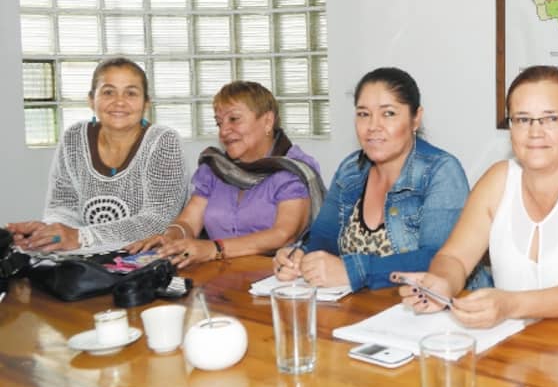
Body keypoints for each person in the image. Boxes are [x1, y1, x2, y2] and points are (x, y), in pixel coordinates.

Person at [393, 65, 558, 328]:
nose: (535, 131)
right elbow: (454, 258)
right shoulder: (498, 179)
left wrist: (511, 304)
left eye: (551, 118)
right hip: (516, 350)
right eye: (522, 119)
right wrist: (443, 282)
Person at [273, 67, 483, 291]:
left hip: (431, 310)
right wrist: (299, 256)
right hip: (361, 311)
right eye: (363, 114)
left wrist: (353, 271)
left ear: (416, 119)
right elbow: (323, 237)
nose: (373, 126)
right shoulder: (350, 169)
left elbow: (440, 260)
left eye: (388, 113)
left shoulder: (441, 171)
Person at [127, 81, 323, 267]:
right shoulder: (215, 169)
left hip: (278, 279)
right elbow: (188, 222)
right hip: (217, 279)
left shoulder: (292, 171)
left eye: (234, 119)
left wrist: (215, 249)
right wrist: (171, 238)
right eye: (219, 123)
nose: (224, 131)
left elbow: (284, 234)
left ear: (267, 121)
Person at [8, 57, 186, 252]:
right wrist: (50, 233)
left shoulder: (163, 142)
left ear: (146, 104)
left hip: (148, 263)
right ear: (91, 100)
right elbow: (62, 206)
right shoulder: (73, 137)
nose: (119, 102)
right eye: (108, 92)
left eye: (131, 93)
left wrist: (81, 236)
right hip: (86, 260)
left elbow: (158, 221)